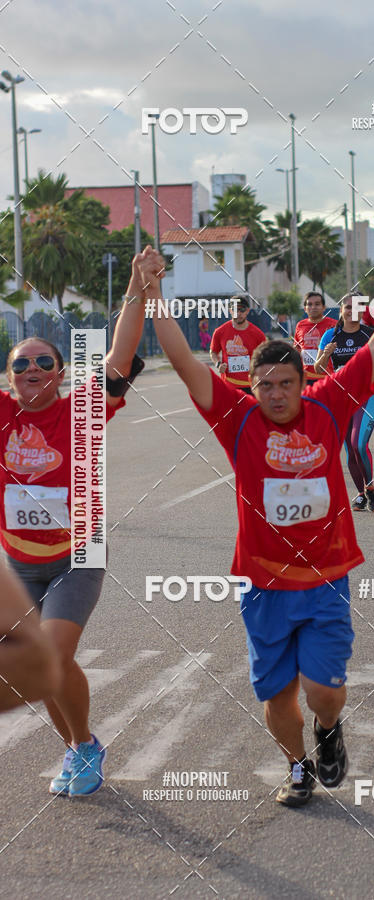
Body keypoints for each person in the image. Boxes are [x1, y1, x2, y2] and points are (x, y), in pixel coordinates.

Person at [143, 236, 374, 806]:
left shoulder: (329, 402)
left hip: (327, 576)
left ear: (303, 381)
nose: (278, 395)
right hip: (261, 584)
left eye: (288, 383)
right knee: (278, 695)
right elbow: (183, 361)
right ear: (251, 388)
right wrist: (154, 291)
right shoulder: (236, 420)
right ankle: (297, 765)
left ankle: (329, 732)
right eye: (267, 386)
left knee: (323, 690)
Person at [1, 248, 150, 794]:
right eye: (21, 363)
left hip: (77, 557)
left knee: (53, 655)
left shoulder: (80, 411)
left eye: (43, 362)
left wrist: (135, 282)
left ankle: (84, 745)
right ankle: (80, 748)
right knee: (38, 671)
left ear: (61, 373)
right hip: (17, 564)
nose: (32, 369)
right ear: (9, 376)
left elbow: (122, 350)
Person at [315, 296, 374, 512]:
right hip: (340, 399)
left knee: (359, 444)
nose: (353, 311)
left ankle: (370, 487)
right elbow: (318, 368)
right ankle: (361, 494)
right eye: (348, 307)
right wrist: (326, 354)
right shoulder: (330, 335)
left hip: (366, 396)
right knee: (349, 451)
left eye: (357, 307)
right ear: (341, 310)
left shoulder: (370, 334)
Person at [0, 560, 60, 712]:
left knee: (57, 654)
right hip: (23, 561)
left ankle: (81, 737)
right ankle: (79, 737)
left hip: (81, 550)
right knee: (54, 659)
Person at [210, 296, 266, 393]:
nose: (238, 313)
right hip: (229, 384)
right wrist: (218, 364)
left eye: (242, 310)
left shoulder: (257, 334)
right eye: (235, 310)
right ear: (230, 311)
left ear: (247, 311)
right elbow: (213, 352)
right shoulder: (220, 331)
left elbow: (266, 356)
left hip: (251, 385)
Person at [293, 291, 337, 386]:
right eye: (309, 304)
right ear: (305, 308)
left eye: (317, 304)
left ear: (324, 307)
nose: (313, 307)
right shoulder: (300, 325)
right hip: (306, 379)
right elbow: (297, 350)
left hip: (327, 378)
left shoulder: (334, 325)